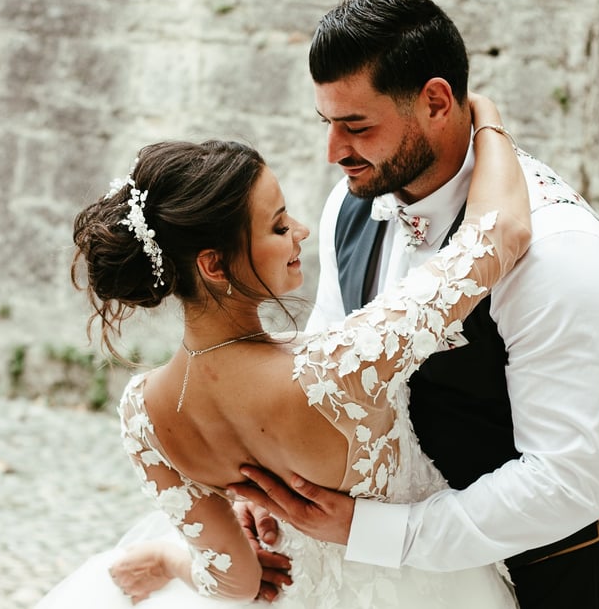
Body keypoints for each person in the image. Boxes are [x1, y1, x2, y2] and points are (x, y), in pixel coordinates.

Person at [229, 0, 599, 608]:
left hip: (560, 577)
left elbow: (565, 481)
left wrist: (371, 531)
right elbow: (328, 371)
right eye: (329, 123)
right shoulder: (348, 206)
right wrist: (277, 496)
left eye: (358, 126)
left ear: (435, 101)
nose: (334, 153)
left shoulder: (562, 253)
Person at [35, 92, 532, 608]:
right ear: (213, 265)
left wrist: (169, 561)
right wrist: (488, 119)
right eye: (277, 226)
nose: (301, 231)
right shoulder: (342, 365)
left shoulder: (145, 414)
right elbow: (503, 232)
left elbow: (239, 582)